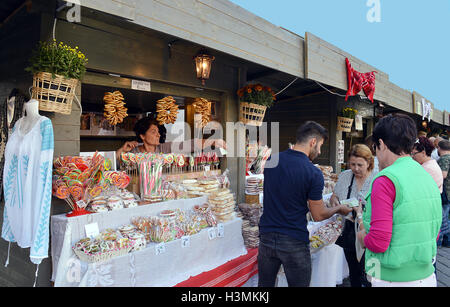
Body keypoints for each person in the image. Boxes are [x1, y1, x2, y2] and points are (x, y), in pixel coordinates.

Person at [258, 121, 352, 287]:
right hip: (293, 239)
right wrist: (338, 208)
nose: (320, 151)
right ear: (313, 142)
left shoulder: (273, 159)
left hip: (266, 235)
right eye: (321, 145)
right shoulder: (313, 173)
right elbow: (318, 215)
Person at [355, 114, 442, 287]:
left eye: (375, 148)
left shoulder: (385, 179)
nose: (376, 155)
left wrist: (362, 236)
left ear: (381, 144)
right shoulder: (425, 174)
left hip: (390, 276)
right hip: (426, 274)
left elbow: (378, 242)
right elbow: (434, 230)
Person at [329, 144, 377, 287]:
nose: (355, 168)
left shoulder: (378, 178)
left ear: (369, 163)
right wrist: (335, 201)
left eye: (360, 165)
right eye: (352, 164)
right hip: (349, 230)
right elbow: (335, 195)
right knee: (353, 271)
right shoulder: (345, 176)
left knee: (371, 274)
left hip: (370, 230)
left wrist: (361, 210)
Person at [116, 117, 225, 157]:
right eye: (153, 132)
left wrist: (212, 141)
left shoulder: (165, 148)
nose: (158, 135)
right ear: (142, 136)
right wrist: (121, 150)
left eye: (158, 132)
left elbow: (187, 145)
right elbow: (113, 166)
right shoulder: (134, 152)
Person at [437, 140, 450, 247]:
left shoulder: (444, 159)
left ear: (439, 148)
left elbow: (443, 175)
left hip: (446, 192)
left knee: (443, 217)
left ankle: (445, 240)